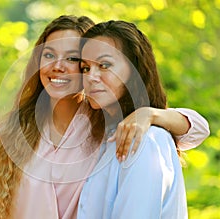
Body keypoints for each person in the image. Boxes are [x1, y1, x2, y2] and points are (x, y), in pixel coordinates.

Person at [0, 15, 209, 219]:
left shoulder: (106, 124)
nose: (58, 66)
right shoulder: (15, 131)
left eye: (73, 59)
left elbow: (197, 129)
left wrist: (149, 113)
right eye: (49, 55)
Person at [77, 20, 195, 218]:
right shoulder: (104, 135)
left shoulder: (145, 139)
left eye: (104, 65)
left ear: (135, 69)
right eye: (85, 68)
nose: (91, 77)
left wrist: (150, 114)